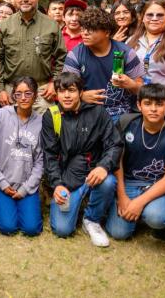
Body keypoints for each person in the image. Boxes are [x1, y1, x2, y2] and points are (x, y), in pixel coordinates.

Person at [42, 72, 122, 247]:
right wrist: (57, 184)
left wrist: (103, 166)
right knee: (62, 230)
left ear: (80, 92)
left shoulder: (98, 112)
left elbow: (115, 145)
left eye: (71, 90)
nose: (67, 95)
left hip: (93, 173)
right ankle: (77, 203)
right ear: (56, 94)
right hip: (67, 179)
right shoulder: (52, 116)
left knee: (108, 182)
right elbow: (49, 154)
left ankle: (92, 219)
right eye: (62, 91)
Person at [105, 84, 165, 241]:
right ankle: (133, 213)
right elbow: (117, 163)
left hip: (158, 186)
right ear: (139, 105)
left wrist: (138, 202)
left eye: (159, 104)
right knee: (119, 233)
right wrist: (123, 197)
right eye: (147, 103)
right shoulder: (126, 123)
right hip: (129, 182)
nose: (153, 109)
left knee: (157, 218)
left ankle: (150, 214)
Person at [0, 0, 66, 113]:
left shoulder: (51, 25)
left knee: (47, 130)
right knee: (10, 132)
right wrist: (0, 90)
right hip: (11, 92)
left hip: (42, 92)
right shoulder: (4, 26)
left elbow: (62, 57)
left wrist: (54, 83)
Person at [64, 7, 144, 121]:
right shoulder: (75, 55)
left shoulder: (126, 53)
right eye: (83, 29)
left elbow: (141, 88)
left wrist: (131, 84)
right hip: (87, 112)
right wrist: (81, 96)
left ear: (107, 32)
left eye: (91, 29)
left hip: (120, 114)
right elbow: (66, 89)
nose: (84, 33)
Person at [0, 77, 44, 236]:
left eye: (28, 93)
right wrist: (2, 183)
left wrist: (26, 189)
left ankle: (22, 206)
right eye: (18, 94)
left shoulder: (40, 122)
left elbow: (40, 161)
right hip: (2, 184)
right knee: (8, 227)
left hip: (27, 186)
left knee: (31, 229)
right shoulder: (1, 115)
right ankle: (0, 205)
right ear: (13, 96)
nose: (23, 98)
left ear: (35, 96)